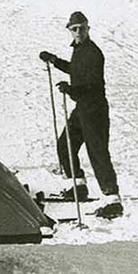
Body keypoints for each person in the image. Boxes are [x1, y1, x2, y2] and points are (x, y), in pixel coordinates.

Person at [39, 11, 121, 219]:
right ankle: (77, 187)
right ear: (69, 30)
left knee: (97, 152)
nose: (78, 32)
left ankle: (112, 199)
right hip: (82, 108)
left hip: (94, 109)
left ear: (88, 28)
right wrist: (54, 60)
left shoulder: (93, 53)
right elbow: (75, 71)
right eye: (74, 29)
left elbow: (92, 86)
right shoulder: (79, 50)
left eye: (82, 28)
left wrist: (71, 90)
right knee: (65, 145)